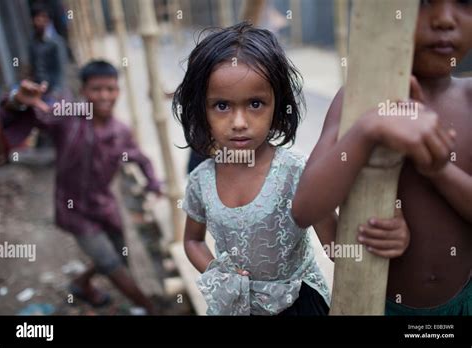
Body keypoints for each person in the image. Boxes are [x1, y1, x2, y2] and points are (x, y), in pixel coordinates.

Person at [174, 22, 410, 316]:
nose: (238, 121)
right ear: (201, 109)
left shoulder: (297, 172)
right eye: (221, 106)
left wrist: (383, 239)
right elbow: (192, 240)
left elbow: (336, 248)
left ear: (278, 105)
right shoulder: (200, 181)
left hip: (297, 303)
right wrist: (218, 273)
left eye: (255, 103)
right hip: (233, 306)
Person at [293, 0, 471, 315]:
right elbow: (306, 208)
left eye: (463, 2)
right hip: (379, 305)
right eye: (424, 2)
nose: (444, 19)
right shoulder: (359, 100)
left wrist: (438, 171)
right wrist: (368, 129)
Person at [0, 60, 161, 314]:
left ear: (118, 91)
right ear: (84, 91)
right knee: (110, 263)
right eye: (97, 89)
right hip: (73, 209)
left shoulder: (120, 131)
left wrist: (153, 182)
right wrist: (17, 100)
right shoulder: (68, 117)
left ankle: (81, 283)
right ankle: (149, 308)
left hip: (104, 205)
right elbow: (31, 112)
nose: (105, 96)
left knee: (118, 255)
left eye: (111, 89)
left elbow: (141, 158)